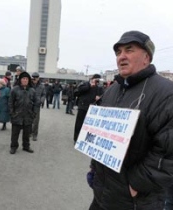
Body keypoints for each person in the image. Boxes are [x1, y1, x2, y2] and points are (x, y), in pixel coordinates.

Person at [88, 31, 173, 210]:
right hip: (102, 193)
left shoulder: (166, 93)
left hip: (136, 200)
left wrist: (137, 183)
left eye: (129, 50)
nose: (121, 57)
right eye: (118, 52)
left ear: (146, 57)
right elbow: (99, 136)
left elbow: (167, 152)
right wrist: (94, 168)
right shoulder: (112, 90)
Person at [9, 71, 37, 154]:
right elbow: (10, 102)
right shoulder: (15, 90)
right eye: (23, 79)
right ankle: (13, 147)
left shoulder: (32, 90)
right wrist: (12, 113)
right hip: (17, 115)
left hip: (28, 115)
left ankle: (26, 146)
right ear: (20, 80)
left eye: (26, 79)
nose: (25, 80)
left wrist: (33, 113)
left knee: (26, 133)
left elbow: (36, 103)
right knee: (15, 133)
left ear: (29, 80)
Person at [73, 74, 103, 143]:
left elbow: (100, 97)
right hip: (82, 107)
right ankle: (76, 138)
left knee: (88, 125)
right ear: (92, 79)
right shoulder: (85, 84)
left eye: (98, 80)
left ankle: (85, 138)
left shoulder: (98, 88)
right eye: (96, 80)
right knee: (79, 124)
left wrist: (98, 99)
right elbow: (78, 91)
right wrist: (90, 85)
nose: (97, 82)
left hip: (92, 108)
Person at [31, 72, 45, 141]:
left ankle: (34, 134)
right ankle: (29, 133)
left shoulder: (41, 86)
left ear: (38, 78)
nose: (35, 79)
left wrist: (41, 100)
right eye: (33, 77)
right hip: (29, 104)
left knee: (36, 121)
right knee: (29, 119)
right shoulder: (29, 84)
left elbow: (43, 94)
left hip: (37, 104)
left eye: (36, 77)